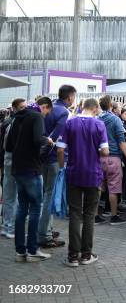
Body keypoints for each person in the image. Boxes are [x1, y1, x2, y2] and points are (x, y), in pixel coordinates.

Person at [56, 98, 109, 266]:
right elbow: (106, 151)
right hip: (93, 174)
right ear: (95, 108)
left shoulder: (70, 123)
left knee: (75, 214)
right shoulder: (99, 125)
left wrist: (61, 166)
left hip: (73, 173)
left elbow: (60, 148)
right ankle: (86, 255)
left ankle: (73, 256)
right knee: (89, 214)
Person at [6, 97, 54, 262]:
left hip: (17, 169)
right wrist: (47, 140)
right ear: (44, 107)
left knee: (22, 209)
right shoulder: (37, 116)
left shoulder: (16, 117)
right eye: (47, 112)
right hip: (31, 169)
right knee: (35, 209)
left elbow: (9, 145)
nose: (46, 116)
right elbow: (37, 139)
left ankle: (20, 251)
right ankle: (33, 250)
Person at [38, 84, 76, 249]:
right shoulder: (64, 112)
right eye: (74, 97)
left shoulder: (49, 107)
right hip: (54, 157)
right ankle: (44, 235)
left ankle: (47, 229)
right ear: (69, 97)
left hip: (42, 157)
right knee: (49, 197)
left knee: (46, 195)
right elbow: (58, 138)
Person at [97, 96, 126, 225]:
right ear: (111, 107)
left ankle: (96, 215)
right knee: (114, 188)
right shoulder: (115, 120)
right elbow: (121, 141)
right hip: (113, 157)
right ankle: (114, 216)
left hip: (99, 157)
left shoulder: (97, 119)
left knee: (99, 187)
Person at [1, 99, 26, 239]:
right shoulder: (16, 123)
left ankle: (6, 226)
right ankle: (10, 228)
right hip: (14, 161)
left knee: (9, 195)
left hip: (7, 160)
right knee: (14, 196)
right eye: (22, 107)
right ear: (15, 109)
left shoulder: (8, 122)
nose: (25, 109)